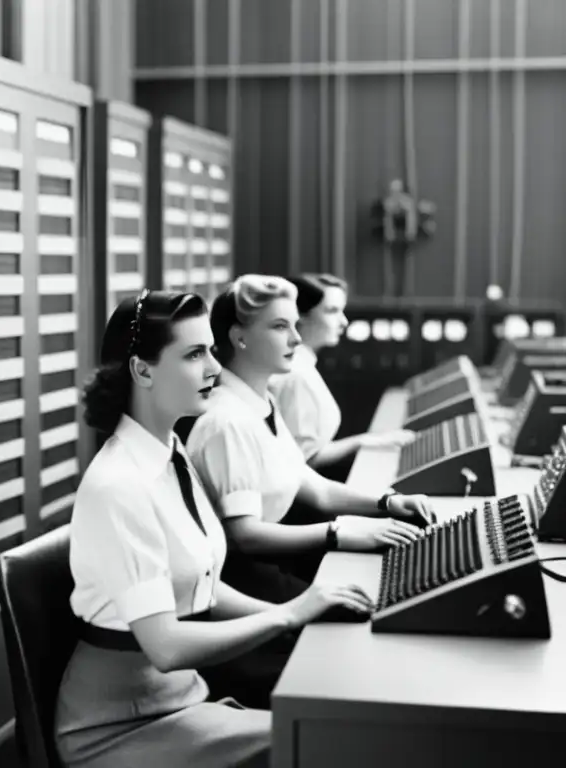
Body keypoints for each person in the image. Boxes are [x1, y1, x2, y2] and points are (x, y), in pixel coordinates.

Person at [55, 289, 375, 768]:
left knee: (339, 718)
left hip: (182, 699)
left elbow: (204, 587)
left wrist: (294, 612)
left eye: (210, 350)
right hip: (118, 728)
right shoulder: (118, 485)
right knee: (329, 742)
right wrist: (286, 617)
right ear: (142, 370)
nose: (213, 368)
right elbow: (165, 646)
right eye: (193, 354)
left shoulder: (170, 454)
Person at [182, 276, 432, 706]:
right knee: (353, 646)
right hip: (240, 588)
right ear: (239, 337)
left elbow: (312, 487)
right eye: (280, 327)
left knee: (363, 615)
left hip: (267, 569)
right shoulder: (225, 421)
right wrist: (339, 533)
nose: (297, 338)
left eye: (296, 325)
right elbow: (245, 534)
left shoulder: (261, 404)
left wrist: (387, 503)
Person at [269, 273, 415, 482]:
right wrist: (364, 441)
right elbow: (303, 461)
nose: (344, 322)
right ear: (300, 316)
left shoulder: (302, 364)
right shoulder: (295, 374)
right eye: (332, 311)